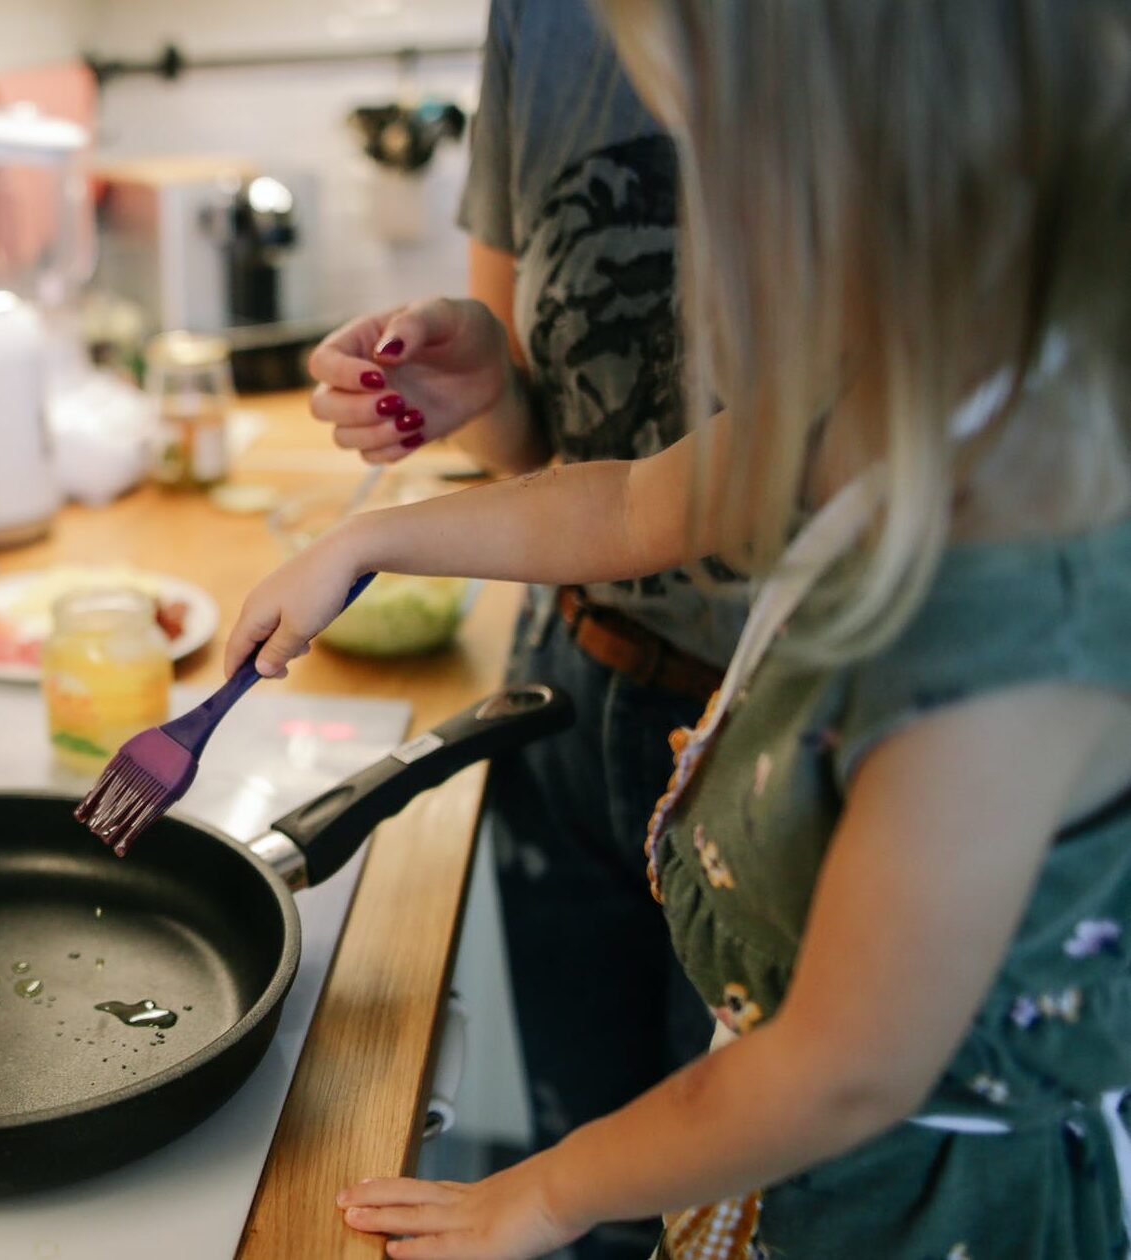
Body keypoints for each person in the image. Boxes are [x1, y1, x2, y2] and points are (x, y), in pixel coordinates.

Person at [232, 0, 1131, 1254]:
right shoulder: (890, 388)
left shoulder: (1010, 617)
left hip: (910, 1208)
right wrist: (364, 540)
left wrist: (546, 1191)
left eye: (723, 156)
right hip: (780, 1150)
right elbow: (637, 498)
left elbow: (840, 1072)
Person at [308, 6, 720, 1250]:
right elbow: (575, 464)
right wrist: (480, 387)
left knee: (722, 1201)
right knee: (585, 1182)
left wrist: (366, 542)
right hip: (572, 695)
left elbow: (834, 1074)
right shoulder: (543, 24)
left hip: (791, 733)